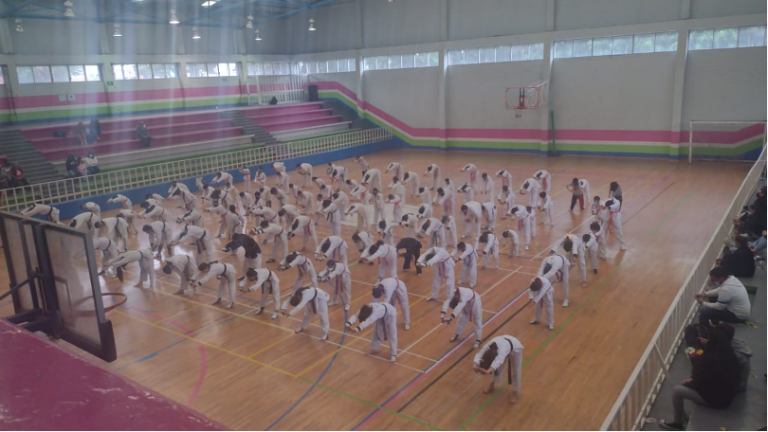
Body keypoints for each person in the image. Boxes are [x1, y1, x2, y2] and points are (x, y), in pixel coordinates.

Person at [659, 326, 740, 431]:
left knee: (677, 390)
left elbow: (701, 381)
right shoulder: (729, 354)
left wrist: (691, 381)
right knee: (686, 383)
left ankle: (677, 423)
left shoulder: (711, 360)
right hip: (728, 396)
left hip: (717, 401)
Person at [473, 336, 524, 405]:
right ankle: (491, 385)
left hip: (515, 347)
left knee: (516, 370)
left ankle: (515, 392)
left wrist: (488, 371)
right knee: (498, 368)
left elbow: (498, 361)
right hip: (504, 341)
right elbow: (479, 354)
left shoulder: (502, 351)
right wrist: (474, 365)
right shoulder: (489, 345)